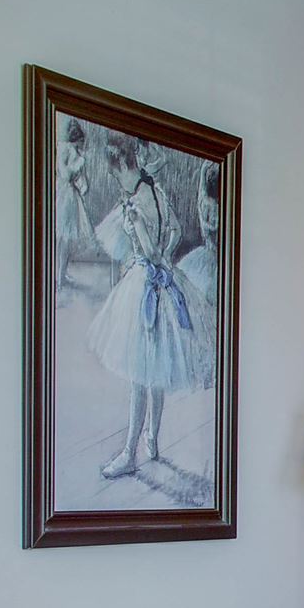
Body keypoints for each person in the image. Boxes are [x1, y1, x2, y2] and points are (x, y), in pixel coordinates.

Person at [88, 172, 206, 485]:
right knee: (156, 369)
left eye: (117, 173)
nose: (117, 180)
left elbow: (149, 252)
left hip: (146, 283)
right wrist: (165, 256)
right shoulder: (160, 195)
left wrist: (150, 254)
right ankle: (151, 439)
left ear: (127, 170)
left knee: (142, 374)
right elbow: (176, 232)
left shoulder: (136, 205)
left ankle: (129, 451)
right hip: (164, 281)